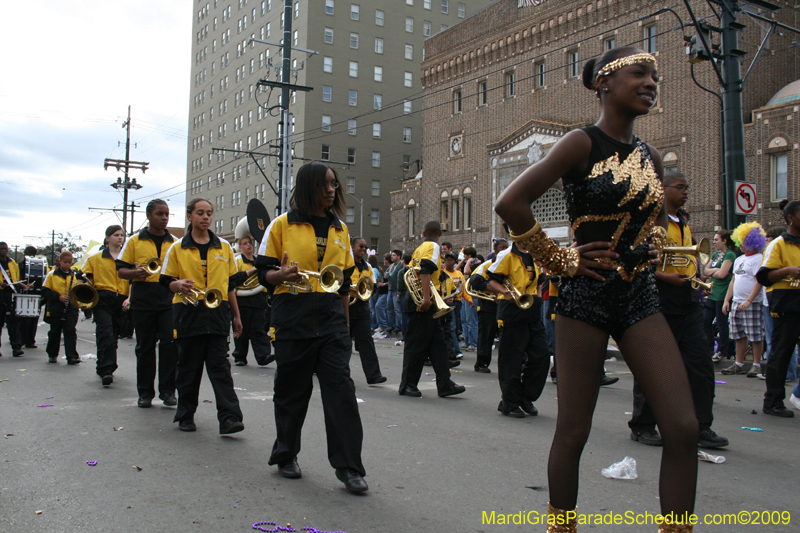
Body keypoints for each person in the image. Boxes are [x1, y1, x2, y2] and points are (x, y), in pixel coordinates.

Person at [495, 48, 698, 532]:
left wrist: (654, 248)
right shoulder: (579, 143)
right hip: (585, 297)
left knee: (683, 428)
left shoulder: (649, 156)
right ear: (604, 83)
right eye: (639, 73)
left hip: (639, 297)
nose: (651, 83)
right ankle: (562, 527)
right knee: (573, 431)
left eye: (655, 76)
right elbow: (511, 203)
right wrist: (561, 260)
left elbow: (653, 221)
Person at [255, 161, 367, 493]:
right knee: (291, 392)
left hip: (331, 321)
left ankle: (349, 467)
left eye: (334, 184)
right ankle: (286, 454)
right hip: (293, 317)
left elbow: (344, 283)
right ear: (309, 187)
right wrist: (279, 275)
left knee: (341, 394)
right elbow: (263, 274)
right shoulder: (281, 225)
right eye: (325, 184)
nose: (332, 190)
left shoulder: (341, 229)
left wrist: (345, 326)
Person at [628, 170, 728, 449]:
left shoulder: (683, 222)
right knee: (652, 365)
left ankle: (701, 426)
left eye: (687, 188)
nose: (685, 192)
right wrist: (665, 277)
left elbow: (686, 258)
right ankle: (643, 425)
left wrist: (698, 280)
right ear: (663, 188)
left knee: (701, 366)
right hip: (658, 299)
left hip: (687, 301)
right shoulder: (648, 221)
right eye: (680, 187)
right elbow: (636, 260)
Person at [160, 198, 245, 434]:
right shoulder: (177, 248)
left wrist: (236, 316)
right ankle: (185, 415)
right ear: (190, 216)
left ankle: (229, 418)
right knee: (189, 368)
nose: (205, 217)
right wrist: (177, 285)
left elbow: (230, 286)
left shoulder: (224, 247)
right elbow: (165, 280)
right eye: (200, 213)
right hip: (188, 313)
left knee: (220, 369)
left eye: (209, 213)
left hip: (217, 314)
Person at [117, 199, 179, 408]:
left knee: (170, 345)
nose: (164, 218)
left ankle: (168, 391)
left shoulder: (175, 242)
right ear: (149, 215)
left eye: (166, 214)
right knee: (145, 347)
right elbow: (121, 270)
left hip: (168, 299)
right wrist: (135, 273)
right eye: (159, 214)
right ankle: (145, 393)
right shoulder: (134, 241)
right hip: (143, 297)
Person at [398, 220, 466, 399]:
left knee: (439, 346)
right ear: (440, 234)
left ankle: (445, 384)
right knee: (416, 347)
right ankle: (407, 385)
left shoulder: (419, 248)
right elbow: (425, 271)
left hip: (423, 302)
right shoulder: (434, 247)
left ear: (423, 233)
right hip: (423, 304)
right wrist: (427, 298)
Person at [485, 236, 550, 418]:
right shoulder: (506, 255)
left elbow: (540, 281)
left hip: (532, 310)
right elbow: (491, 280)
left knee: (542, 356)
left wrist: (537, 298)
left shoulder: (535, 255)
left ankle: (525, 396)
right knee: (511, 360)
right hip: (512, 310)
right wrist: (505, 292)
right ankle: (510, 402)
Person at [756, 199, 800, 417]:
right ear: (791, 218)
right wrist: (788, 270)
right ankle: (773, 401)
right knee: (781, 353)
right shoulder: (779, 244)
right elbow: (764, 277)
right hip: (787, 303)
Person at [82, 225, 130, 386]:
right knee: (106, 334)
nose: (120, 237)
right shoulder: (95, 258)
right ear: (107, 238)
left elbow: (133, 281)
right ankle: (105, 370)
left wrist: (129, 298)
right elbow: (83, 278)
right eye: (116, 235)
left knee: (113, 337)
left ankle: (108, 366)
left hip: (121, 300)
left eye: (122, 235)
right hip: (103, 299)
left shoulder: (127, 258)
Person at [721, 222, 767, 378]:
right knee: (738, 334)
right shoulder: (739, 259)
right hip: (737, 302)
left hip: (752, 303)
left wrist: (749, 300)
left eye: (743, 241)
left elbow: (759, 282)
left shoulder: (758, 259)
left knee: (755, 335)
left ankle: (756, 365)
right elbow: (733, 281)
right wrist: (727, 300)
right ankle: (739, 364)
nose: (740, 244)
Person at [231, 234, 274, 367]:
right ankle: (240, 356)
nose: (249, 245)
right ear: (240, 247)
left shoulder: (259, 261)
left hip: (259, 300)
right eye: (245, 243)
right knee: (241, 331)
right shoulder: (237, 260)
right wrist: (250, 271)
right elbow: (233, 279)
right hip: (241, 301)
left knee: (259, 330)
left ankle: (263, 356)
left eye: (250, 243)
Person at [349, 236, 388, 384]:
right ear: (352, 247)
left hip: (362, 308)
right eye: (361, 246)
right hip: (346, 307)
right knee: (343, 343)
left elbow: (372, 286)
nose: (364, 249)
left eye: (365, 247)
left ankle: (373, 375)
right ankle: (340, 375)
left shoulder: (368, 267)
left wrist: (364, 293)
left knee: (366, 342)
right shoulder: (346, 264)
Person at [42, 251, 82, 364]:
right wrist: (58, 297)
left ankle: (72, 356)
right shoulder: (52, 274)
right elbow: (44, 291)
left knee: (70, 330)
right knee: (55, 331)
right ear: (59, 261)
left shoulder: (75, 275)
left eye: (69, 262)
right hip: (56, 307)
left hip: (71, 306)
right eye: (65, 262)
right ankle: (52, 354)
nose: (67, 264)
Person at [703, 230, 737, 362]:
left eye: (716, 239)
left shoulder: (730, 254)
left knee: (721, 322)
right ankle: (709, 349)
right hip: (712, 292)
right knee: (706, 320)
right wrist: (715, 271)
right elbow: (705, 271)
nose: (714, 242)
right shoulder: (715, 254)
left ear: (724, 241)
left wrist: (713, 272)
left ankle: (722, 350)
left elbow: (723, 274)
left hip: (723, 293)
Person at [468, 258, 498, 373]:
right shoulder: (487, 265)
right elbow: (474, 280)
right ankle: (482, 363)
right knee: (486, 335)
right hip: (488, 305)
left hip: (507, 305)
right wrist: (497, 291)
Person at [0, 242, 24, 358]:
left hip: (11, 294)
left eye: (5, 249)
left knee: (13, 322)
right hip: (0, 294)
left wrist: (25, 286)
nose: (4, 251)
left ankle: (16, 348)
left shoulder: (12, 263)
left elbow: (16, 280)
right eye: (1, 249)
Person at [19, 246, 42, 349]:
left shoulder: (39, 265)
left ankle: (29, 340)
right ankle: (24, 340)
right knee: (25, 318)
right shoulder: (20, 265)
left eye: (27, 253)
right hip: (25, 294)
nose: (26, 255)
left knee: (32, 318)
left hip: (34, 294)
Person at [459, 246, 481, 350]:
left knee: (471, 320)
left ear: (469, 255)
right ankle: (467, 341)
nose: (464, 257)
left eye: (465, 255)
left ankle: (473, 343)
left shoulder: (476, 263)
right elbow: (456, 269)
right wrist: (463, 261)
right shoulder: (467, 261)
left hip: (472, 293)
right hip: (465, 293)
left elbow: (466, 272)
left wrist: (468, 261)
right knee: (464, 319)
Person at [386, 250, 403, 335]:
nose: (392, 257)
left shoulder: (401, 265)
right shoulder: (391, 266)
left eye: (394, 255)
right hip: (390, 289)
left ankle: (398, 326)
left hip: (396, 289)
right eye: (391, 255)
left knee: (397, 309)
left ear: (399, 256)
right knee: (389, 309)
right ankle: (390, 326)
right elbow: (388, 275)